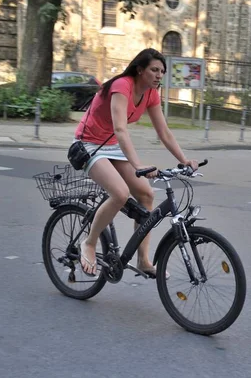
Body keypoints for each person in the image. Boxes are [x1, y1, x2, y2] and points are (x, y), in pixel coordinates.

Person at [72, 48, 198, 277]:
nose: (159, 75)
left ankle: (143, 260)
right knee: (120, 194)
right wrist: (138, 165)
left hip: (110, 146)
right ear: (140, 70)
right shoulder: (122, 86)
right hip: (89, 144)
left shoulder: (151, 94)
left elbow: (164, 132)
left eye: (162, 71)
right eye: (154, 70)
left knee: (146, 195)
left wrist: (184, 160)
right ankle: (89, 243)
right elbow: (120, 128)